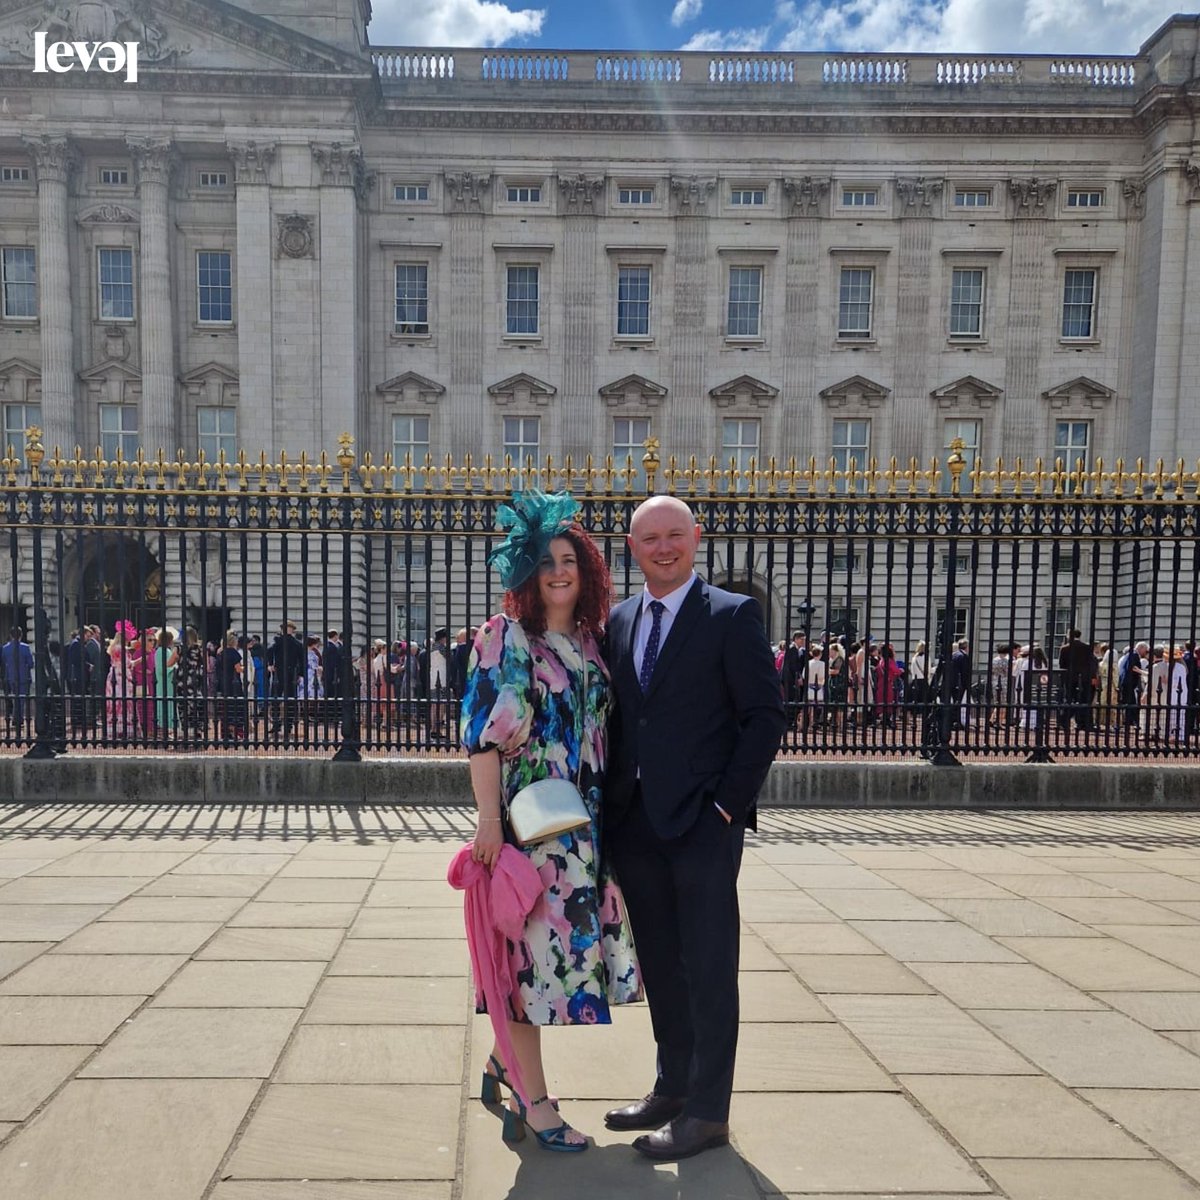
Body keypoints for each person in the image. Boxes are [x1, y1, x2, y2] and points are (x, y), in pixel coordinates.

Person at [603, 494, 785, 1162]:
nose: (663, 547)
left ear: (696, 538)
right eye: (650, 538)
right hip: (635, 821)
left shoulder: (733, 615)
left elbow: (765, 717)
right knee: (662, 965)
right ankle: (672, 1087)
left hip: (704, 824)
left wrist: (727, 808)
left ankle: (709, 1113)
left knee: (709, 968)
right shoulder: (619, 620)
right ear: (632, 547)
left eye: (675, 535)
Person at [459, 488, 640, 1153]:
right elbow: (481, 737)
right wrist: (485, 823)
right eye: (545, 561)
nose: (559, 571)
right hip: (532, 834)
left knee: (558, 967)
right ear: (526, 573)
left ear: (586, 571)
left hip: (588, 836)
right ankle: (534, 1105)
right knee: (532, 972)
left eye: (570, 559)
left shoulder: (594, 642)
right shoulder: (504, 637)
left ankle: (506, 1065)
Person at [1, 627, 35, 736]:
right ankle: (18, 718)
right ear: (21, 635)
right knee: (21, 698)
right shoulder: (25, 647)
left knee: (15, 697)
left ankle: (16, 716)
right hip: (23, 676)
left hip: (11, 675)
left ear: (11, 636)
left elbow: (4, 661)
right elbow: (30, 663)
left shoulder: (5, 648)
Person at [153, 627, 179, 740]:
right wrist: (175, 666)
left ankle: (167, 729)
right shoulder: (162, 652)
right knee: (166, 704)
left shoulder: (162, 651)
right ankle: (165, 729)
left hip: (167, 681)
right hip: (166, 681)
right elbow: (163, 668)